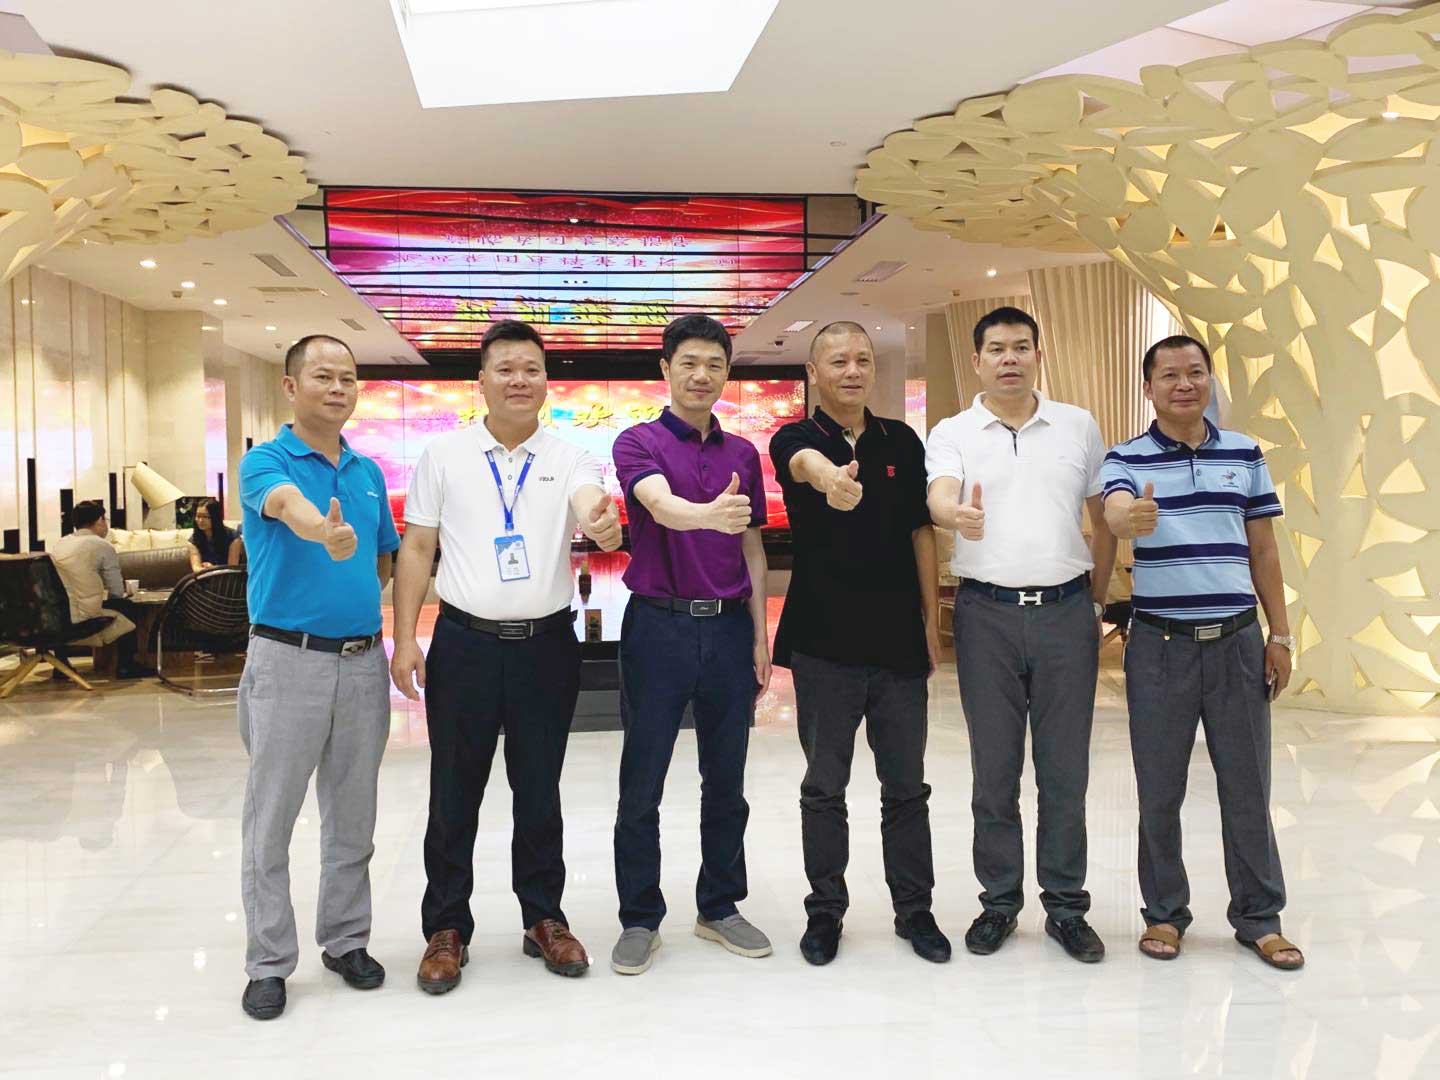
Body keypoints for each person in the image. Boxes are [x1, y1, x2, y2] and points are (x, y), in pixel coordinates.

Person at [390, 320, 623, 994]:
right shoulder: (444, 455)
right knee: (453, 791)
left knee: (539, 789)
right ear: (482, 381)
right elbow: (417, 548)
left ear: (546, 381)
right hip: (464, 644)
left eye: (531, 369)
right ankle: (446, 928)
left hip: (546, 647)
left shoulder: (571, 456)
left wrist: (602, 519)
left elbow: (590, 503)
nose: (520, 380)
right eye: (506, 368)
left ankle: (543, 917)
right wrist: (405, 638)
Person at [1101, 334, 1303, 971]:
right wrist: (1128, 517)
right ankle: (1164, 912)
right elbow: (1114, 511)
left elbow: (1263, 549)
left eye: (1195, 372)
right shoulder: (1125, 457)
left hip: (1237, 642)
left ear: (1210, 380)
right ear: (1148, 388)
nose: (1184, 384)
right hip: (1159, 647)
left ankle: (1260, 918)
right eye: (1169, 375)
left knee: (1248, 786)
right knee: (1159, 789)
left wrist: (1280, 634)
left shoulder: (1244, 453)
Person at [925, 306, 1116, 964]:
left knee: (1065, 771)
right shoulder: (953, 431)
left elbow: (1103, 515)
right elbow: (939, 496)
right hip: (987, 616)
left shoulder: (1078, 425)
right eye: (997, 349)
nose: (1010, 358)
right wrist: (955, 515)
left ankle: (1066, 907)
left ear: (1039, 355)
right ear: (977, 360)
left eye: (1021, 347)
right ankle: (999, 903)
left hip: (1066, 611)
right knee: (994, 771)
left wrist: (1097, 596)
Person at [769, 322, 948, 966]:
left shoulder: (900, 440)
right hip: (824, 644)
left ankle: (915, 910)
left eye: (863, 360)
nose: (852, 371)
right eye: (838, 361)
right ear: (813, 372)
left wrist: (930, 623)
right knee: (824, 787)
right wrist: (829, 480)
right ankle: (825, 912)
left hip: (897, 643)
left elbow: (921, 532)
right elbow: (804, 465)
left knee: (907, 787)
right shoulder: (794, 437)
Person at [235, 334, 400, 1021]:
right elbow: (286, 508)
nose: (338, 389)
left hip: (362, 662)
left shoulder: (367, 471)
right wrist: (322, 532)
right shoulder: (265, 461)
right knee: (271, 818)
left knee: (352, 815)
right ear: (290, 386)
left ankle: (346, 940)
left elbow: (385, 558)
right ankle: (269, 963)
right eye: (323, 377)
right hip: (287, 660)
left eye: (348, 378)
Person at [608, 314, 771, 975]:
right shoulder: (637, 441)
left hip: (729, 628)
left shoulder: (743, 455)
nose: (702, 375)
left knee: (726, 780)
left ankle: (720, 906)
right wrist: (707, 515)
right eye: (689, 363)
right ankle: (639, 917)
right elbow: (657, 504)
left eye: (714, 364)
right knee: (642, 780)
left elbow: (753, 547)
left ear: (726, 374)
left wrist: (760, 633)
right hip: (659, 626)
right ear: (666, 370)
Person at [49, 500, 152, 680]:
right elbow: (116, 590)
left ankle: (61, 663)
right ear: (99, 520)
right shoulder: (102, 545)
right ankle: (126, 665)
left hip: (57, 614)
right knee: (125, 606)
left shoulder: (61, 543)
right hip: (83, 617)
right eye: (105, 520)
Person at [187, 498, 236, 573]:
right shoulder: (193, 541)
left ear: (215, 517)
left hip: (229, 578)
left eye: (205, 517)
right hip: (204, 578)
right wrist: (208, 570)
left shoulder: (233, 537)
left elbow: (232, 568)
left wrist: (214, 569)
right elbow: (196, 568)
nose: (200, 520)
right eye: (198, 516)